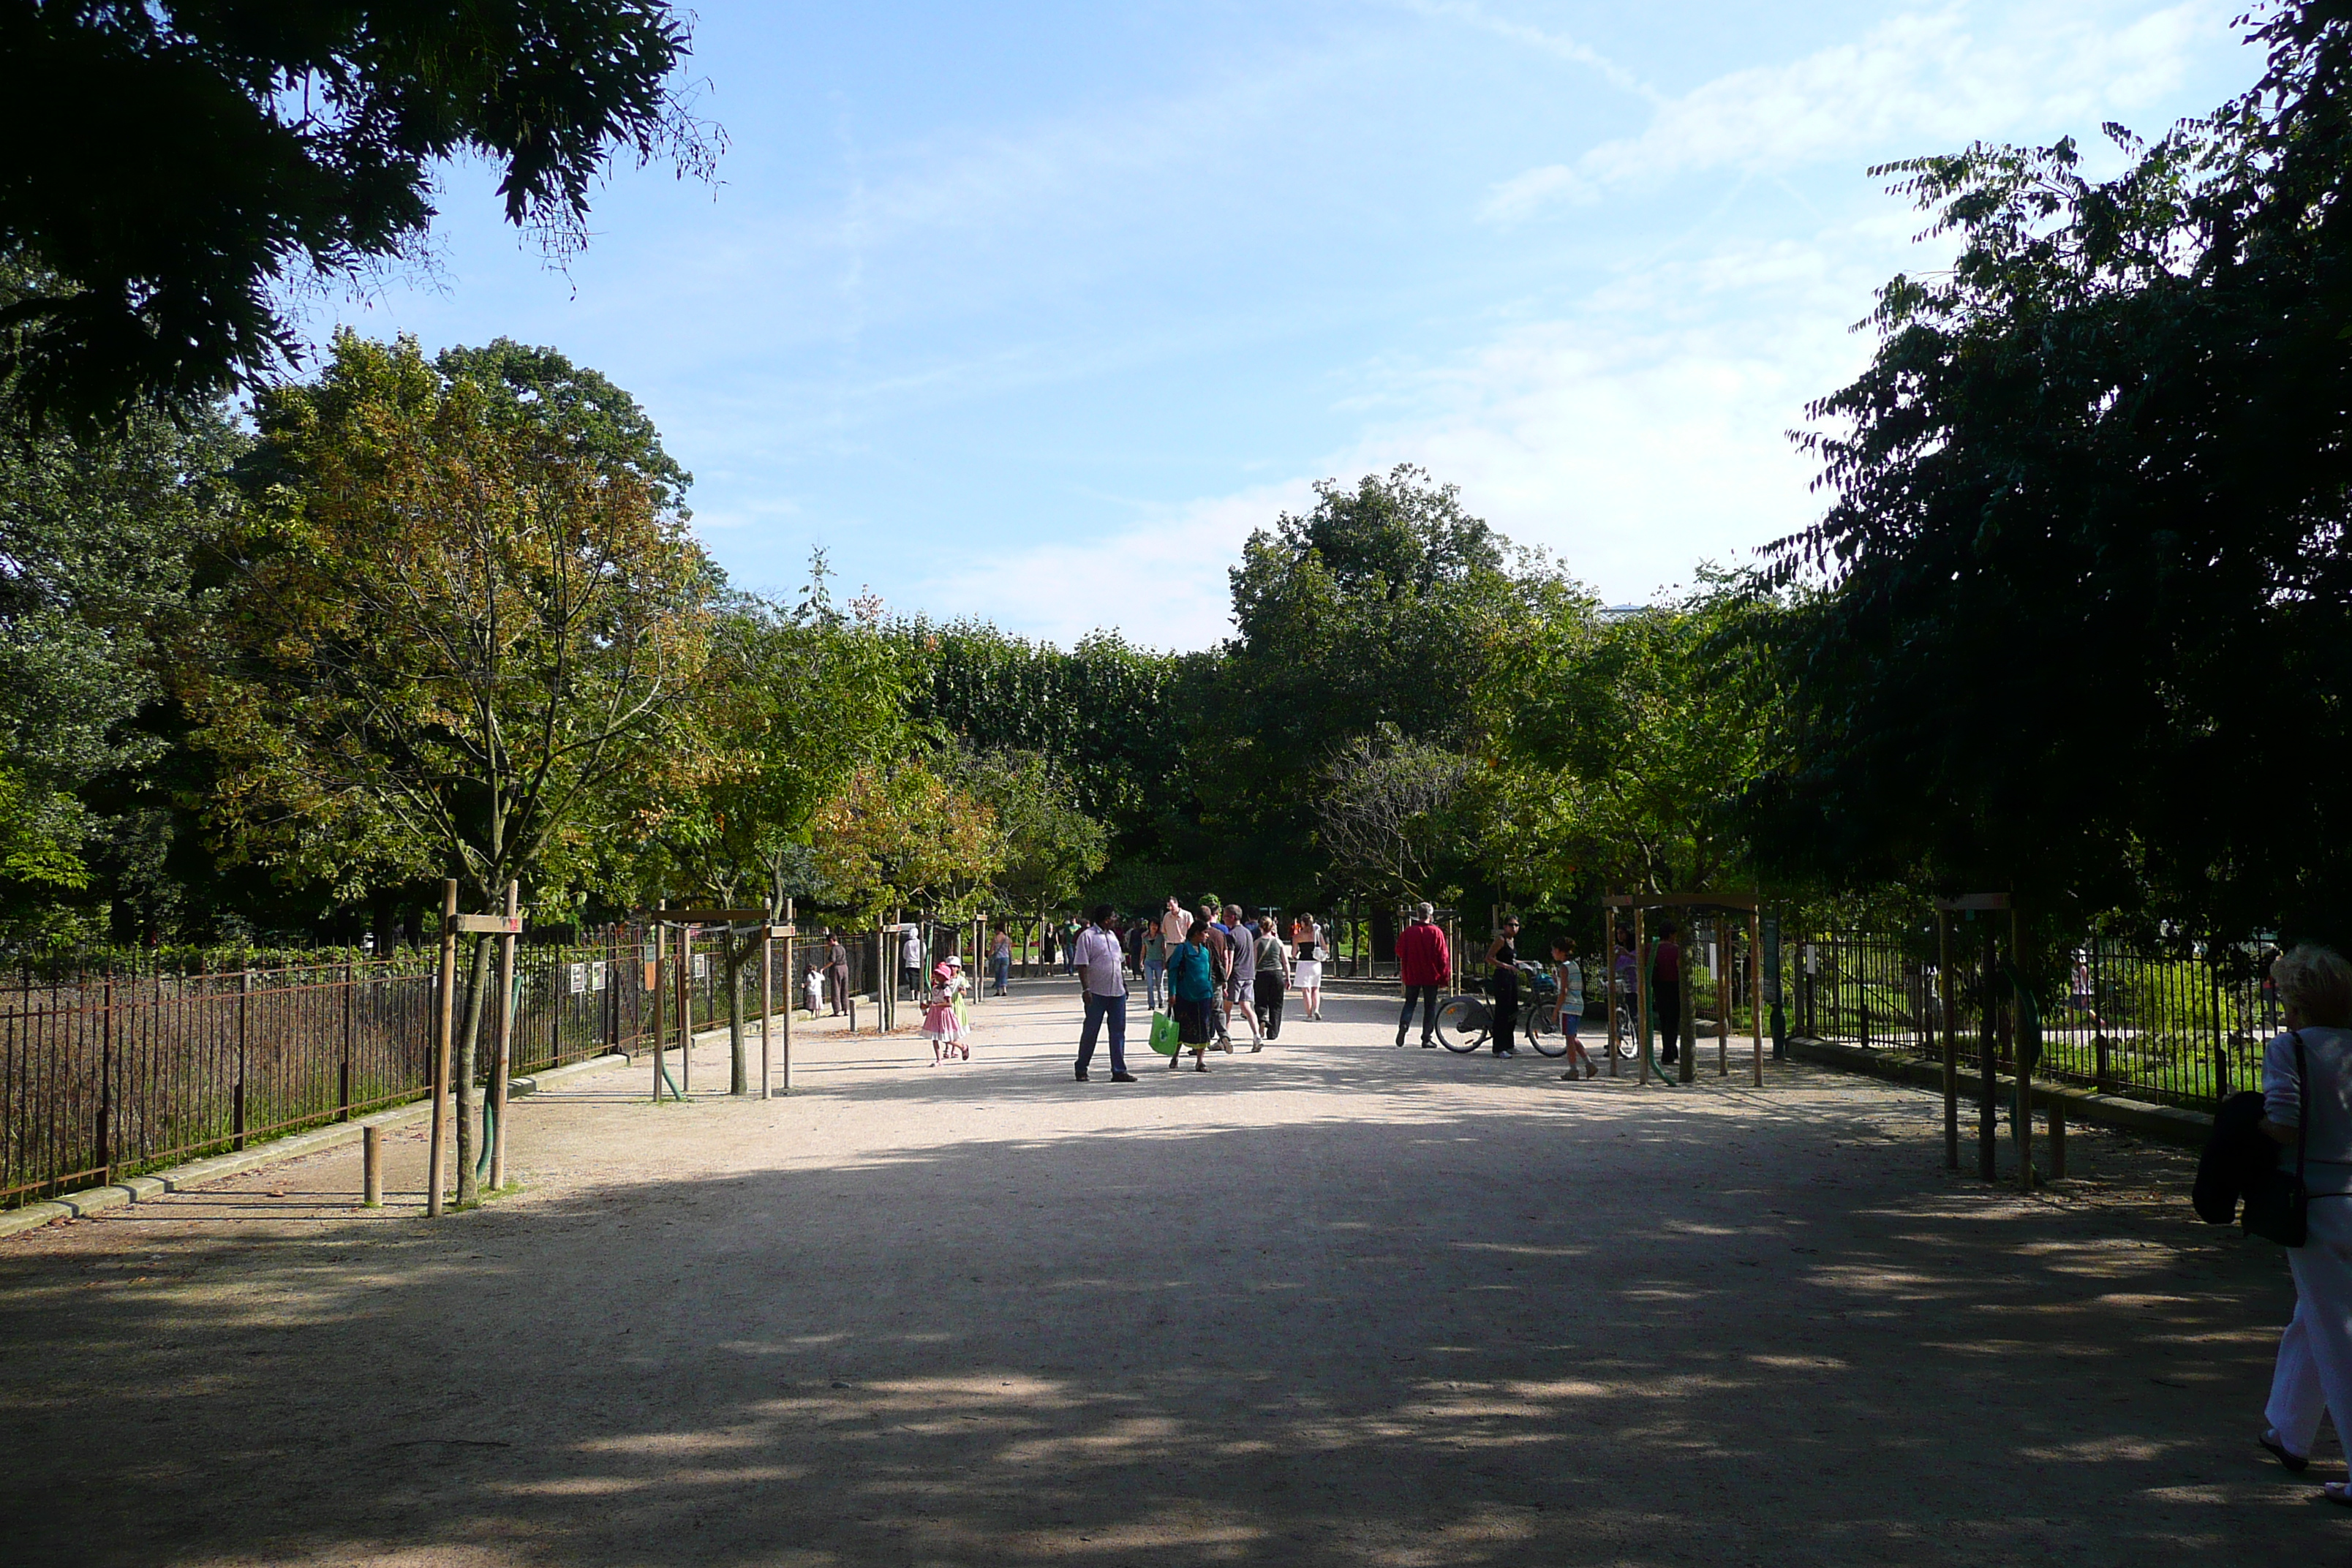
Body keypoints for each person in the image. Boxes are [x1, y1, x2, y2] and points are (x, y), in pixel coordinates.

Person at [2255, 944, 2352, 1499]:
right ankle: (2289, 1430)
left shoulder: (2289, 1048)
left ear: (2296, 1002)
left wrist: (2246, 1124)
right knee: (2312, 1317)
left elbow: (2285, 1124)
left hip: (2316, 1203)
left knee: (2338, 1336)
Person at [1072, 903, 1137, 1082]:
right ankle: (1082, 1067)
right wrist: (1086, 989)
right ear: (1106, 919)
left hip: (1117, 993)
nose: (1116, 920)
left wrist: (1124, 984)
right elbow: (1082, 965)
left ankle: (1119, 1071)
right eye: (1113, 917)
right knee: (1091, 1031)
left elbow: (1118, 962)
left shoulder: (1114, 937)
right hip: (1096, 993)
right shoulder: (1087, 937)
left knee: (1118, 1031)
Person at [1396, 902, 1450, 1047]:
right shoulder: (1437, 933)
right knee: (1430, 1007)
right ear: (1430, 915)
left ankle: (1404, 1024)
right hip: (1431, 975)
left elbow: (1400, 951)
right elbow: (1443, 957)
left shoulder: (1408, 932)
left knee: (1410, 1003)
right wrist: (1445, 978)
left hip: (1412, 974)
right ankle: (1426, 1038)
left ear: (1417, 914)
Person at [1164, 923, 1217, 1072]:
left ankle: (1200, 1062)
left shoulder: (1205, 952)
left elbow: (1208, 974)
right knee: (1181, 1027)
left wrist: (1211, 994)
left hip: (1204, 995)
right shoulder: (1182, 949)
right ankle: (1175, 1056)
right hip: (1184, 994)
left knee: (1204, 1027)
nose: (1207, 936)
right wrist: (1172, 993)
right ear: (1196, 933)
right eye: (1205, 933)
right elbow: (1173, 971)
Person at [1221, 903, 1265, 1050]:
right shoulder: (1247, 932)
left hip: (1236, 975)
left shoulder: (1231, 935)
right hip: (1249, 974)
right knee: (1247, 1007)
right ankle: (1256, 1037)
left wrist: (1225, 979)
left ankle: (1225, 1039)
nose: (1223, 919)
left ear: (1233, 917)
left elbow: (1230, 959)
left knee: (1226, 1009)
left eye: (1226, 916)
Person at [1553, 937, 1596, 1080]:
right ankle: (1589, 1063)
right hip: (1578, 1005)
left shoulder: (1564, 967)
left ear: (1559, 951)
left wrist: (1556, 1010)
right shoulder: (1574, 966)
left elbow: (1563, 991)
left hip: (1568, 1007)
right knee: (1573, 1037)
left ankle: (1573, 1069)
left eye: (1554, 950)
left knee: (1569, 1040)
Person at [1199, 901, 1234, 1050]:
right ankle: (1224, 1035)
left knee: (1201, 1009)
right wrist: (1225, 977)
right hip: (1218, 976)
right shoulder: (1220, 934)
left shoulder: (1198, 934)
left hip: (1201, 976)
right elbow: (1226, 957)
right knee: (1218, 1009)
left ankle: (1200, 1042)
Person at [1487, 915, 1523, 1057]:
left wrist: (1525, 963)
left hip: (1512, 978)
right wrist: (1506, 966)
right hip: (1502, 977)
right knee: (1502, 1011)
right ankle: (1498, 1048)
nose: (1513, 928)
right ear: (1505, 927)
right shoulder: (1501, 940)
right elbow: (1489, 957)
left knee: (1513, 1010)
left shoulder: (1512, 941)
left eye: (1516, 925)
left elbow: (1512, 959)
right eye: (1511, 925)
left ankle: (1509, 1044)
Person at [1254, 914, 1292, 1041]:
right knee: (1276, 1004)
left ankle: (1262, 1018)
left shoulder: (1257, 943)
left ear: (1260, 928)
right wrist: (1288, 978)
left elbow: (1254, 962)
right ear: (1272, 927)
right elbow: (1285, 962)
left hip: (1261, 974)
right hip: (1277, 974)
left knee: (1260, 1001)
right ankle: (1273, 1032)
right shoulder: (1279, 942)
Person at [922, 960, 967, 1065]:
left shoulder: (947, 990)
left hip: (944, 1014)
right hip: (935, 1014)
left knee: (944, 1037)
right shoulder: (935, 989)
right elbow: (934, 1000)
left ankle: (962, 1047)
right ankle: (939, 1059)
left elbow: (949, 1003)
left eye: (939, 975)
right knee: (934, 1037)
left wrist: (936, 1006)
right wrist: (927, 1005)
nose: (937, 977)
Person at [1654, 920, 1684, 1066]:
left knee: (1664, 1019)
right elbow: (1680, 967)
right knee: (1673, 1021)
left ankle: (1671, 1048)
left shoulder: (1652, 948)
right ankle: (1669, 1052)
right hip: (1674, 986)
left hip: (1658, 986)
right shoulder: (1676, 950)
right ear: (1672, 935)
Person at [1293, 913, 1324, 1021]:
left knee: (1306, 990)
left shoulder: (1298, 936)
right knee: (1316, 988)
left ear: (1302, 923)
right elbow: (1325, 948)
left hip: (1303, 964)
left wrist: (1295, 956)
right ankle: (1317, 1009)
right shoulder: (1317, 935)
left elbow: (1294, 953)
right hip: (1316, 963)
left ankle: (1309, 1015)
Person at [824, 931, 850, 1018]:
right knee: (845, 989)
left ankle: (837, 1011)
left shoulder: (834, 949)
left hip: (837, 969)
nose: (828, 944)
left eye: (828, 942)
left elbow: (833, 960)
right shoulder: (842, 948)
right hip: (845, 968)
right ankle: (846, 1009)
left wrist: (823, 968)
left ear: (831, 940)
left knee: (836, 990)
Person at [1143, 921, 1167, 1011]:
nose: (1154, 927)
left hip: (1159, 961)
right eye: (1152, 925)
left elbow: (1164, 949)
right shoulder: (1145, 937)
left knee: (1159, 983)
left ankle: (1161, 1001)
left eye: (1156, 925)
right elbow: (1143, 949)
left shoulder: (1161, 937)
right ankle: (1151, 1004)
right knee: (1149, 984)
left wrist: (1165, 961)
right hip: (1148, 961)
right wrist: (1141, 960)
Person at [900, 924, 924, 1003]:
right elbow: (924, 952)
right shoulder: (921, 943)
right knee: (919, 978)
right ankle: (918, 993)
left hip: (910, 963)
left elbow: (904, 954)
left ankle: (912, 993)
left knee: (912, 979)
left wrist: (908, 958)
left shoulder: (907, 944)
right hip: (919, 963)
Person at [990, 924, 1011, 996]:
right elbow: (1010, 950)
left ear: (998, 930)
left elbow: (992, 949)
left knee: (998, 974)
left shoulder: (995, 939)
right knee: (1004, 974)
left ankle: (998, 990)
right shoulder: (1007, 939)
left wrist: (989, 957)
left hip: (998, 958)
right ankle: (1004, 990)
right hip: (1006, 957)